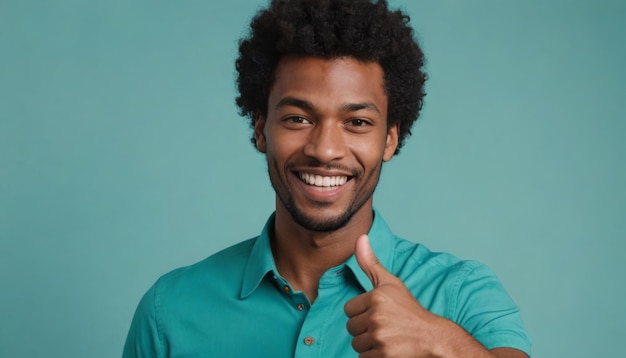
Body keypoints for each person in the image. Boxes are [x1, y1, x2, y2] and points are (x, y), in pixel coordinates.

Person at [123, 0, 532, 357]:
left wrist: (439, 342)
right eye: (298, 118)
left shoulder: (461, 294)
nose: (325, 149)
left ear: (389, 139)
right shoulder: (169, 312)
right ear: (261, 128)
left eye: (356, 121)